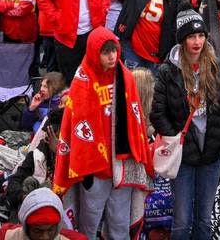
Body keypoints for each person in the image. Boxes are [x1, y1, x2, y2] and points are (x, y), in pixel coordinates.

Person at [53, 26, 152, 240]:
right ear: (94, 52)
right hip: (94, 169)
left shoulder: (125, 76)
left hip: (122, 164)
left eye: (114, 51)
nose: (112, 56)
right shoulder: (83, 79)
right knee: (88, 226)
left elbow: (136, 121)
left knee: (119, 225)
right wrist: (86, 169)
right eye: (106, 52)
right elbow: (78, 129)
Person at [150, 10, 220, 240]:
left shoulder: (216, 66)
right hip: (183, 155)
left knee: (204, 218)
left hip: (211, 152)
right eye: (191, 36)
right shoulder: (168, 71)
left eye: (200, 35)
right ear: (182, 39)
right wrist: (175, 138)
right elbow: (157, 113)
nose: (197, 42)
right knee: (182, 219)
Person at [116, 0, 181, 70]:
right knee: (134, 85)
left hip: (158, 53)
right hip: (133, 49)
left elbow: (176, 19)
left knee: (153, 87)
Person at [0, 187, 82, 240]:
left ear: (57, 226)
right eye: (37, 231)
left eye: (50, 230)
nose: (45, 237)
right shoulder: (6, 237)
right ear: (27, 228)